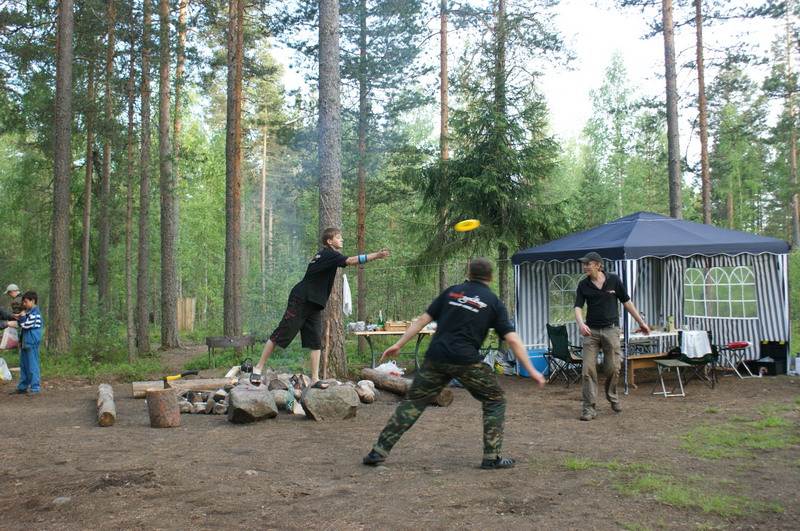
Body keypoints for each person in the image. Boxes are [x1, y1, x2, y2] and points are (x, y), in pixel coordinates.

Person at [362, 258, 546, 470]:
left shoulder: (452, 292)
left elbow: (421, 321)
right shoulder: (493, 301)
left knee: (413, 402)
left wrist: (398, 344)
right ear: (491, 277)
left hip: (436, 357)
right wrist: (532, 370)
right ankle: (491, 456)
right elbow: (513, 339)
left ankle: (378, 451)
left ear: (469, 274)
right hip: (466, 360)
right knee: (495, 398)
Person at [250, 228, 389, 385]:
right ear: (329, 242)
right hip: (301, 299)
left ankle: (315, 378)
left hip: (314, 303)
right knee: (281, 333)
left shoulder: (323, 255)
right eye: (338, 237)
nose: (342, 240)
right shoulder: (330, 254)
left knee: (315, 341)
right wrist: (377, 255)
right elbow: (350, 261)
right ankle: (258, 368)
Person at [573, 251, 649, 421]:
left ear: (599, 265)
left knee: (613, 368)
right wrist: (581, 324)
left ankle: (612, 398)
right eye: (584, 264)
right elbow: (577, 307)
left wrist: (641, 322)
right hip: (591, 332)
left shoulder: (614, 280)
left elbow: (627, 302)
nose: (585, 266)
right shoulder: (583, 285)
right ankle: (589, 409)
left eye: (588, 264)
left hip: (611, 330)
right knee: (587, 370)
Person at [8, 291, 42, 395]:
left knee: (32, 366)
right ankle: (22, 386)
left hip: (31, 344)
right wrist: (20, 341)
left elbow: (25, 325)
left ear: (33, 301)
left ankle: (35, 387)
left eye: (26, 302)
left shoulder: (35, 314)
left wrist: (22, 317)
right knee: (24, 366)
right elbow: (24, 329)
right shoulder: (28, 313)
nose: (24, 304)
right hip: (25, 343)